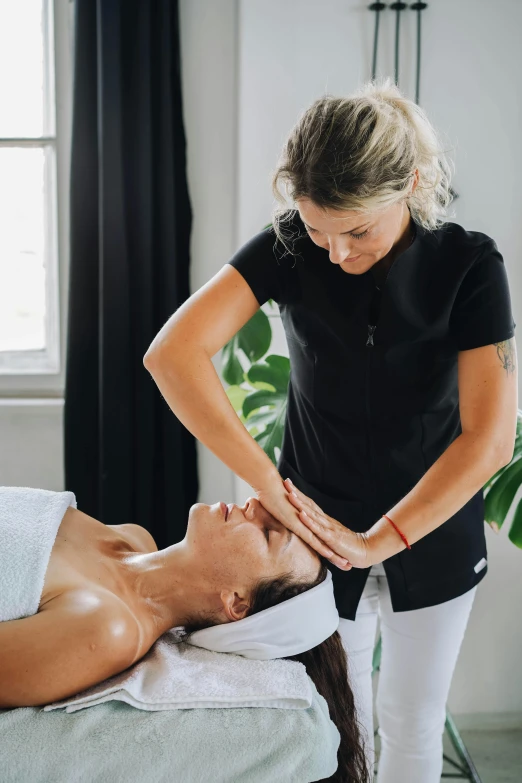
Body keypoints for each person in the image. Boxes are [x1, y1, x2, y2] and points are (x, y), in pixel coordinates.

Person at [143, 77, 518, 782]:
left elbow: (490, 439)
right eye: (319, 229)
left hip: (434, 535)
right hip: (309, 536)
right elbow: (172, 353)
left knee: (413, 723)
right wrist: (270, 489)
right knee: (336, 725)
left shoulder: (469, 266)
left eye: (357, 231)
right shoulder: (289, 246)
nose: (337, 253)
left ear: (408, 184)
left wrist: (379, 538)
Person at [0, 487, 368, 783]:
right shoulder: (133, 538)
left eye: (270, 533)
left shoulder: (109, 629)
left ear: (237, 604)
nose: (257, 504)